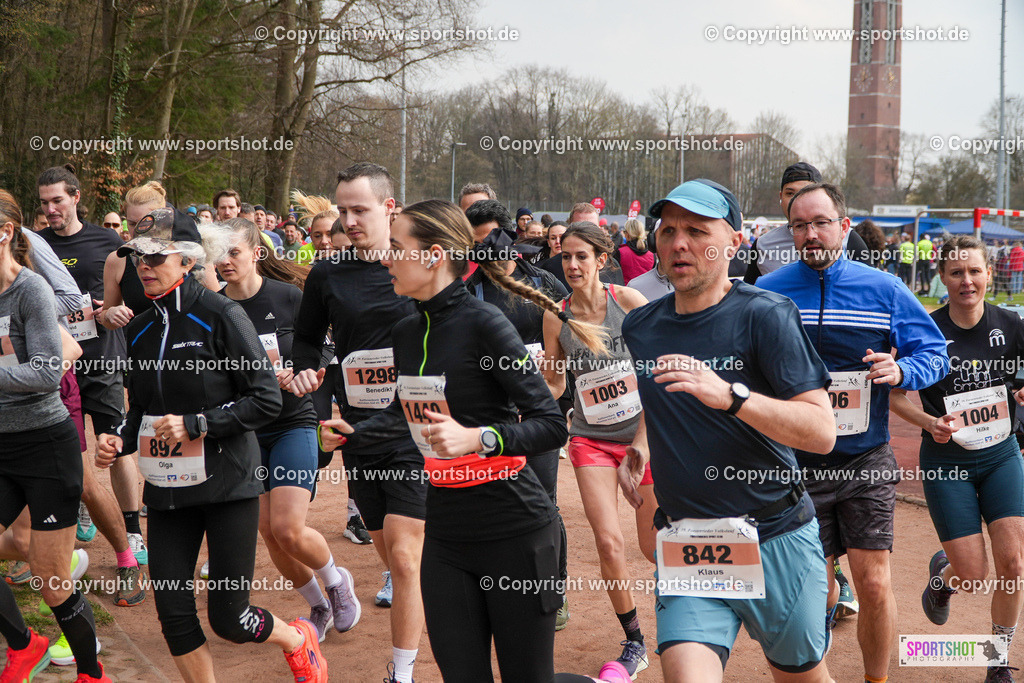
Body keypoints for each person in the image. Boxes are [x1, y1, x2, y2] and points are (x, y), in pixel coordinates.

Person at [319, 198, 570, 682]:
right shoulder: (408, 330)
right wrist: (353, 431)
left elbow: (550, 423)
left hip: (514, 529)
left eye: (397, 247)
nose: (387, 258)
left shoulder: (485, 325)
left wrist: (479, 438)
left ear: (433, 256)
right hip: (446, 534)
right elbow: (409, 413)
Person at [95, 210, 327, 682]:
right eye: (137, 256)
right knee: (174, 616)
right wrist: (118, 436)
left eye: (156, 256)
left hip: (227, 489)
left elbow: (264, 398)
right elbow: (141, 406)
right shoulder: (138, 329)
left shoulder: (221, 315)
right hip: (166, 492)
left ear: (189, 260)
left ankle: (297, 639)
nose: (144, 265)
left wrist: (197, 424)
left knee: (229, 619)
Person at [621, 179, 837, 682]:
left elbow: (821, 431)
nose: (679, 243)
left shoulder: (767, 315)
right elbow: (664, 400)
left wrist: (731, 397)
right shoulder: (641, 327)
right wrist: (641, 444)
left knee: (799, 676)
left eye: (697, 230)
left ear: (734, 243)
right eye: (668, 230)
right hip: (688, 538)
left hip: (775, 536)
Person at [757, 182, 949, 683]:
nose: (811, 234)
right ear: (791, 233)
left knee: (874, 584)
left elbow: (935, 353)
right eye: (800, 225)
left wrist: (901, 371)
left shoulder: (883, 289)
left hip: (865, 461)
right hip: (796, 465)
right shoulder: (770, 292)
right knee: (810, 591)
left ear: (844, 226)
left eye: (821, 223)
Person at [289, 162, 425, 683]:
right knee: (388, 549)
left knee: (408, 558)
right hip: (360, 431)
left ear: (390, 209)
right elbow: (306, 338)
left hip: (416, 426)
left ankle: (402, 672)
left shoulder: (418, 263)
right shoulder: (328, 271)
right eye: (342, 210)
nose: (348, 220)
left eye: (360, 210)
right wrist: (307, 377)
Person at [216, 217, 360, 642]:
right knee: (268, 532)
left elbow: (325, 347)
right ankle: (318, 604)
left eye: (234, 252)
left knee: (288, 528)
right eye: (219, 255)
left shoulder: (289, 297)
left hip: (293, 422)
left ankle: (337, 583)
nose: (225, 262)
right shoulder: (215, 308)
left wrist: (306, 372)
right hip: (246, 430)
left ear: (257, 254)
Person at [889, 235, 1024, 683]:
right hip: (949, 461)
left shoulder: (1012, 323)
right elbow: (895, 396)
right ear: (943, 279)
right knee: (972, 575)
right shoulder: (927, 331)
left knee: (1014, 564)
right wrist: (928, 423)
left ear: (989, 273)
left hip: (1002, 454)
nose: (967, 281)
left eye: (974, 271)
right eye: (956, 273)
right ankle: (943, 578)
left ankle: (997, 660)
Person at [0, 189, 112, 683]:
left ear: (4, 233)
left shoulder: (30, 291)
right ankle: (24, 646)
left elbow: (47, 371)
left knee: (51, 580)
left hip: (45, 445)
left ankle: (92, 673)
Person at [540, 221, 653, 676]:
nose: (571, 264)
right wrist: (517, 406)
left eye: (581, 256)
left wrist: (642, 443)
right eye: (566, 256)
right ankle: (636, 641)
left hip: (643, 437)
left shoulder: (629, 303)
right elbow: (554, 381)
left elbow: (655, 377)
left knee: (653, 546)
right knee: (609, 542)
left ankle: (688, 617)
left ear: (601, 260)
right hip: (590, 438)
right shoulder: (555, 315)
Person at [37, 167, 150, 582]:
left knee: (114, 443)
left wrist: (112, 311)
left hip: (101, 358)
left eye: (58, 201)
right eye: (45, 202)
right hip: (53, 364)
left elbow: (133, 298)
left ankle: (133, 529)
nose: (51, 209)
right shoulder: (34, 245)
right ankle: (83, 504)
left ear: (76, 198)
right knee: (68, 445)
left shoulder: (108, 242)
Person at [463, 200, 572, 629]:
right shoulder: (467, 286)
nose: (482, 251)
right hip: (487, 418)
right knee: (488, 504)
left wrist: (555, 403)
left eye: (489, 240)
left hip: (541, 416)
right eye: (474, 244)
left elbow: (567, 353)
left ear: (508, 237)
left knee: (544, 504)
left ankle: (555, 591)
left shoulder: (546, 285)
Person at [743, 162, 871, 284]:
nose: (797, 199)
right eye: (790, 193)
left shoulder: (849, 239)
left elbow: (869, 285)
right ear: (780, 197)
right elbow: (750, 297)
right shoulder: (762, 245)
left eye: (805, 192)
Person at [541, 205, 623, 288]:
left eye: (591, 227)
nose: (573, 265)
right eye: (580, 226)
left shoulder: (612, 266)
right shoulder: (551, 267)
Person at [614, 218, 655, 285]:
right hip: (646, 294)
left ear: (627, 234)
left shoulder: (620, 252)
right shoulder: (652, 256)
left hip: (624, 292)